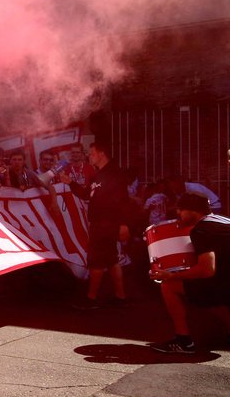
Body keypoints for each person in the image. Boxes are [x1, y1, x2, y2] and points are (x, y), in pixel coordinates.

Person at [148, 192, 230, 353]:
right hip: (225, 279)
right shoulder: (223, 220)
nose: (178, 214)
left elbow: (207, 269)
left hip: (225, 284)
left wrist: (171, 275)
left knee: (169, 285)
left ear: (192, 210)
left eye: (180, 210)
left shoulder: (201, 229)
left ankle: (183, 341)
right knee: (205, 292)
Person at [61, 141, 134, 309]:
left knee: (96, 261)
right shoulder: (98, 175)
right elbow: (86, 195)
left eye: (92, 153)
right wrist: (70, 182)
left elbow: (123, 200)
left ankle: (91, 298)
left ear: (101, 153)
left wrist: (123, 224)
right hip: (99, 224)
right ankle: (120, 296)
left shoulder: (115, 173)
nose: (89, 156)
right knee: (111, 260)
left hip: (106, 224)